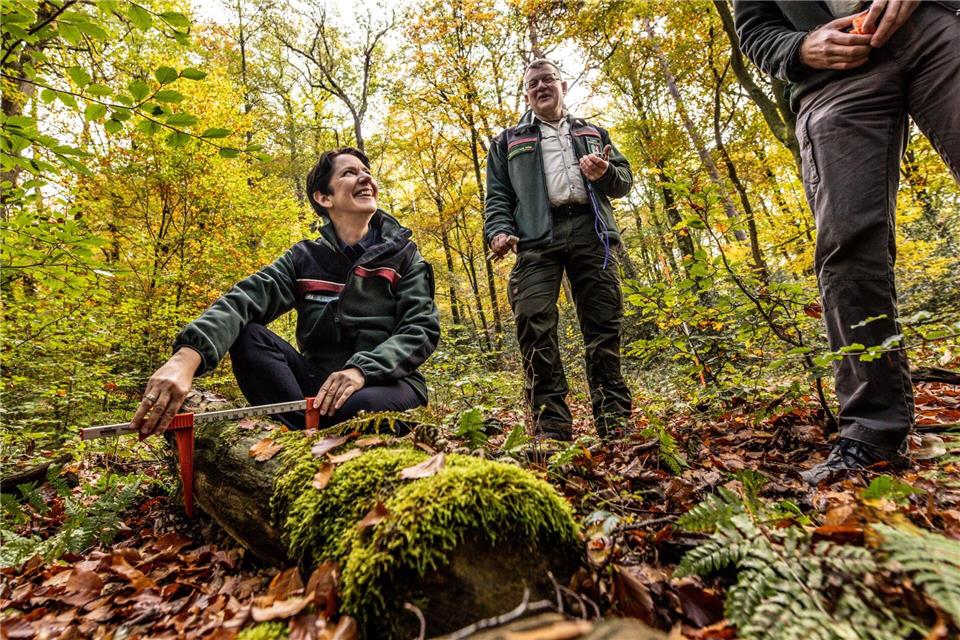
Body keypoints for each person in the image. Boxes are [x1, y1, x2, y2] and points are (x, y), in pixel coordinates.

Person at [734, 0, 960, 484]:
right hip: (831, 79)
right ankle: (872, 434)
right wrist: (799, 48)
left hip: (932, 23)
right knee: (845, 244)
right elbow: (754, 29)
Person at [132, 147, 440, 436]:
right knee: (249, 336)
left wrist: (362, 370)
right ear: (324, 197)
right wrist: (186, 358)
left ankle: (318, 435)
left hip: (387, 382)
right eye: (349, 173)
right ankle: (300, 440)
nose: (365, 178)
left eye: (366, 172)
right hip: (318, 387)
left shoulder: (405, 256)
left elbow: (420, 329)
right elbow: (244, 300)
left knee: (360, 409)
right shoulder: (303, 259)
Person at [484, 59, 633, 442]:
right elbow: (497, 197)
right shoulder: (506, 141)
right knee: (532, 321)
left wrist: (605, 173)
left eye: (547, 79)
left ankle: (614, 421)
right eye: (532, 83)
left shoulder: (593, 132)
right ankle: (551, 426)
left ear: (562, 86)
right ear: (526, 95)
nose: (541, 87)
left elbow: (623, 182)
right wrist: (499, 231)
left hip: (591, 232)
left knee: (603, 324)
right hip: (536, 238)